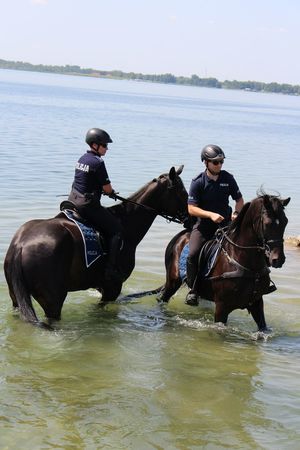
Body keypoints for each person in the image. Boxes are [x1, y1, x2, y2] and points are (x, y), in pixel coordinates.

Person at [185, 144, 244, 305]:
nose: (219, 165)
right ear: (206, 162)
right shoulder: (198, 182)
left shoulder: (228, 178)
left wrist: (237, 213)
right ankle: (193, 289)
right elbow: (191, 209)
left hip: (225, 226)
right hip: (204, 227)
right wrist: (210, 215)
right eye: (216, 162)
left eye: (221, 162)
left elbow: (239, 200)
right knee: (193, 254)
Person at [68, 128, 123, 281]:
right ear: (95, 145)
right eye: (104, 145)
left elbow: (86, 181)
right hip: (87, 206)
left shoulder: (82, 159)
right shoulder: (98, 163)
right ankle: (110, 268)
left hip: (72, 200)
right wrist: (111, 192)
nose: (107, 148)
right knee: (116, 229)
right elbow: (107, 188)